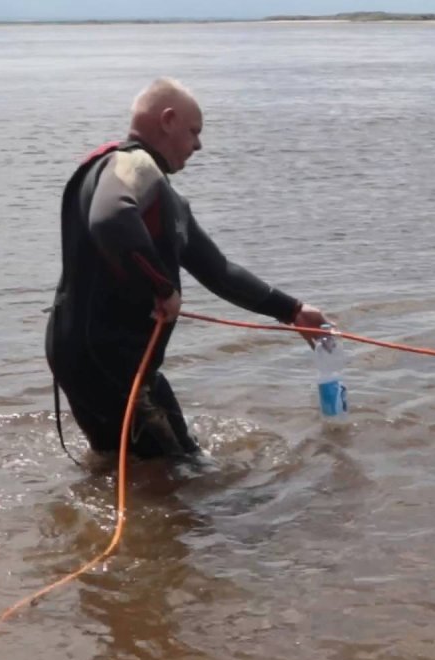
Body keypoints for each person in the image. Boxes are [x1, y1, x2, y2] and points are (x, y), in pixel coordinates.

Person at [46, 77, 330, 460]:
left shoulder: (158, 197)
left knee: (128, 466)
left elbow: (219, 271)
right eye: (194, 131)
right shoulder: (134, 164)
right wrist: (162, 288)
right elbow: (110, 219)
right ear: (167, 120)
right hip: (110, 360)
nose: (198, 144)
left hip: (82, 353)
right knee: (183, 472)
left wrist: (293, 311)